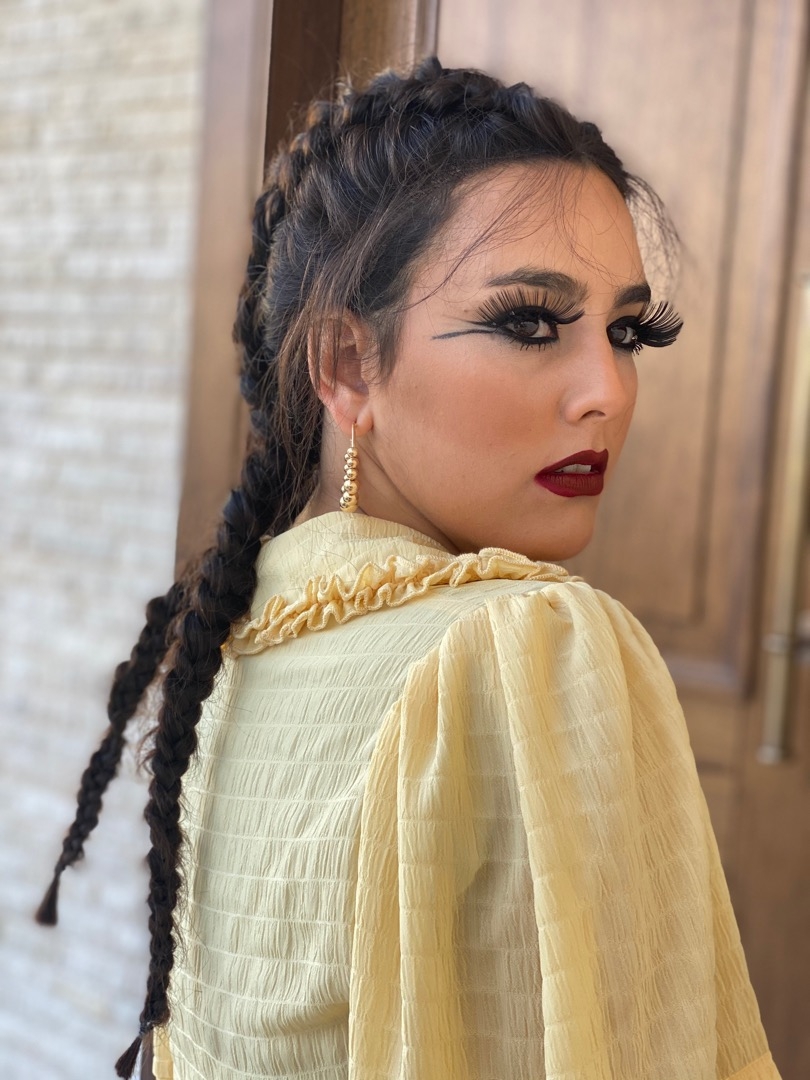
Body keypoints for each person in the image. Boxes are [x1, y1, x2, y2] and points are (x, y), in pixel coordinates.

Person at [37, 57, 781, 1080]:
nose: (607, 391)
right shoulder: (529, 648)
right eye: (529, 322)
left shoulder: (229, 650)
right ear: (348, 366)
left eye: (625, 332)